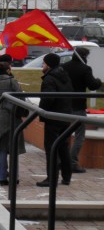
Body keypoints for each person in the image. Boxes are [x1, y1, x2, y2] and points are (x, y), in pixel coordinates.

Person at [62, 47, 102, 173]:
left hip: (63, 105)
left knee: (63, 135)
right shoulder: (85, 69)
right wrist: (99, 81)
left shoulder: (64, 67)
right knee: (79, 135)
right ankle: (72, 162)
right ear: (84, 56)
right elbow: (92, 85)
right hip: (78, 106)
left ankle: (61, 160)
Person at [37, 53, 74, 188]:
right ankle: (66, 176)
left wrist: (41, 110)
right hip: (65, 116)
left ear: (49, 64)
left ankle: (51, 179)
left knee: (51, 148)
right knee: (63, 147)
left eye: (44, 63)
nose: (42, 65)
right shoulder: (65, 76)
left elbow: (48, 98)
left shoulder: (49, 79)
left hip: (53, 118)